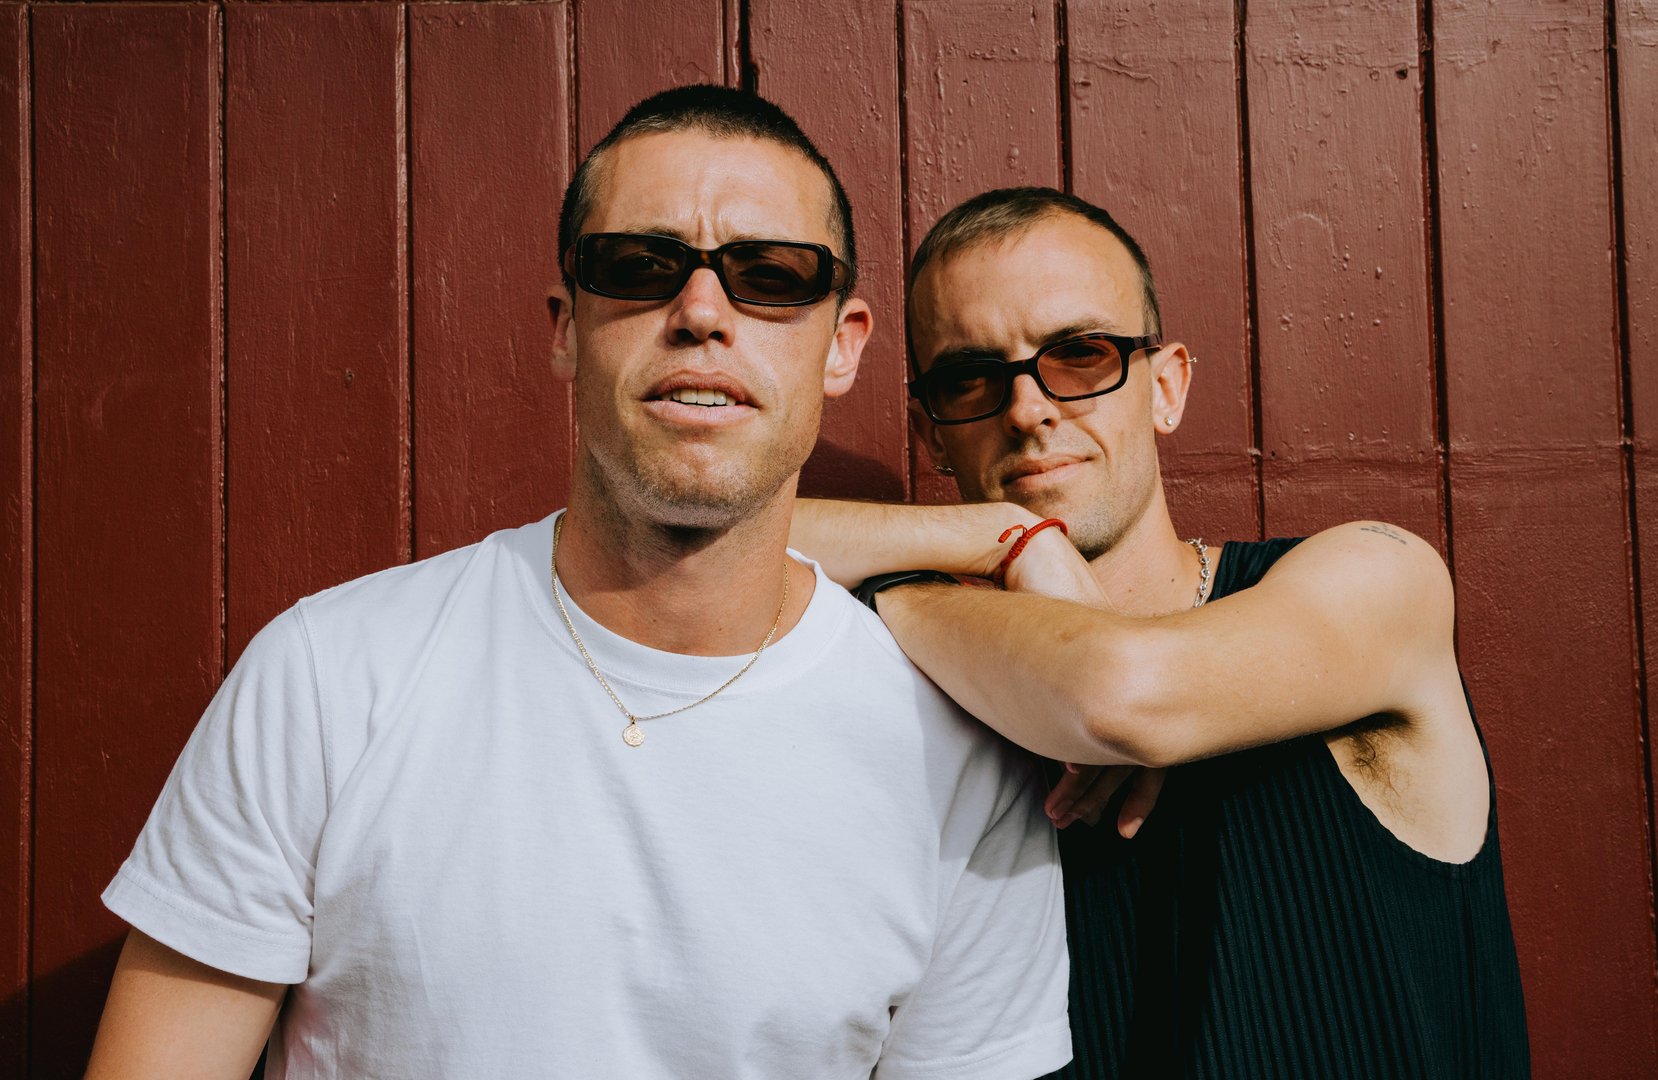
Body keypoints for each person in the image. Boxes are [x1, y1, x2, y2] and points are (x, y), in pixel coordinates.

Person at [85, 90, 1071, 1080]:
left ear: (843, 344)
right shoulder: (330, 676)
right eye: (638, 267)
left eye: (771, 276)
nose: (701, 313)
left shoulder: (948, 757)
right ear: (566, 328)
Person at [791, 187, 1531, 1078]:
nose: (1027, 409)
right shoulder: (931, 695)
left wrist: (897, 596)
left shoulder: (1380, 580)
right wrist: (998, 536)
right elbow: (701, 549)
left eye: (1080, 355)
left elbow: (1122, 697)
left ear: (1167, 386)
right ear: (930, 434)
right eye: (970, 378)